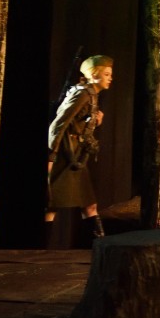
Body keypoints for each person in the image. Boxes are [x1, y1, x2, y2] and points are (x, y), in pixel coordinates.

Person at [46, 54, 112, 246]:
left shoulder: (91, 95)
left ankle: (99, 248)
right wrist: (51, 156)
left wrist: (95, 122)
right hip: (65, 156)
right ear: (94, 75)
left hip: (76, 158)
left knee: (89, 205)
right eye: (106, 74)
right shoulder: (82, 94)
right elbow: (58, 124)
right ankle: (42, 250)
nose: (110, 78)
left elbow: (77, 124)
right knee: (52, 206)